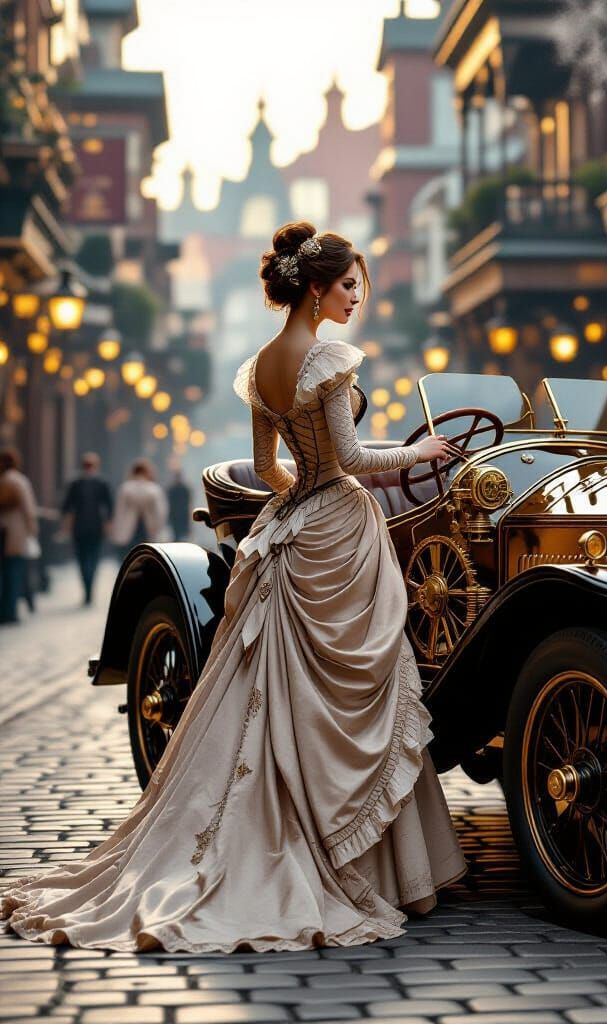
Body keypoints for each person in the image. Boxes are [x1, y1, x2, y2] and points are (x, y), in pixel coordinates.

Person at [1, 221, 467, 952]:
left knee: (295, 694)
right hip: (342, 528)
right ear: (315, 289)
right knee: (359, 684)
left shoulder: (261, 369)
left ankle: (321, 832)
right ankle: (364, 859)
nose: (354, 298)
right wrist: (418, 450)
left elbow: (269, 464)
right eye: (348, 286)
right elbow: (350, 457)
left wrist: (294, 501)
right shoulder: (327, 361)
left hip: (295, 526)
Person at [60, 452, 113, 605]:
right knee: (91, 561)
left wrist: (67, 524)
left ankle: (88, 590)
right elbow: (109, 507)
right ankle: (89, 590)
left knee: (84, 561)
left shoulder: (77, 483)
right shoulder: (100, 483)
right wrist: (107, 524)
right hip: (92, 528)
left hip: (83, 529)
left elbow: (66, 507)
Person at [0, 447, 39, 625]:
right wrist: (32, 529)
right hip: (16, 531)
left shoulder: (3, 480)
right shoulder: (19, 481)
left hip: (4, 531)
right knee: (14, 571)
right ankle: (10, 610)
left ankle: (6, 609)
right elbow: (28, 508)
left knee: (6, 572)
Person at [109, 459, 168, 561]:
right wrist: (158, 527)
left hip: (127, 530)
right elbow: (161, 512)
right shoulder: (154, 489)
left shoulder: (125, 488)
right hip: (148, 528)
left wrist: (116, 530)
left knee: (127, 559)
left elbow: (119, 511)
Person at [166, 470, 192, 542]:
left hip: (177, 516)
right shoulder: (185, 489)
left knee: (178, 536)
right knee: (181, 536)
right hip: (180, 516)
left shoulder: (171, 489)